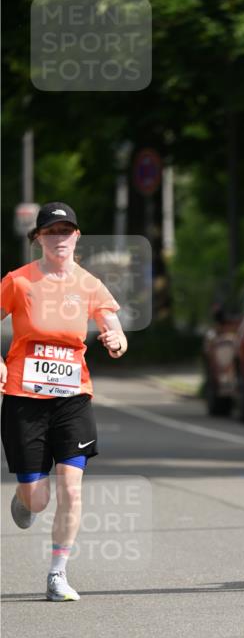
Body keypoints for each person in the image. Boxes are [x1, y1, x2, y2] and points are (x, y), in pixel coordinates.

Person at [0, 201, 128, 601]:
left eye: (67, 231)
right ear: (38, 238)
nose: (60, 238)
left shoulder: (89, 283)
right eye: (52, 232)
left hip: (73, 397)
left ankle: (58, 573)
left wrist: (116, 340)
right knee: (37, 498)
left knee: (72, 489)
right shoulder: (18, 282)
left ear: (77, 237)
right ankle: (24, 499)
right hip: (25, 397)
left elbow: (113, 325)